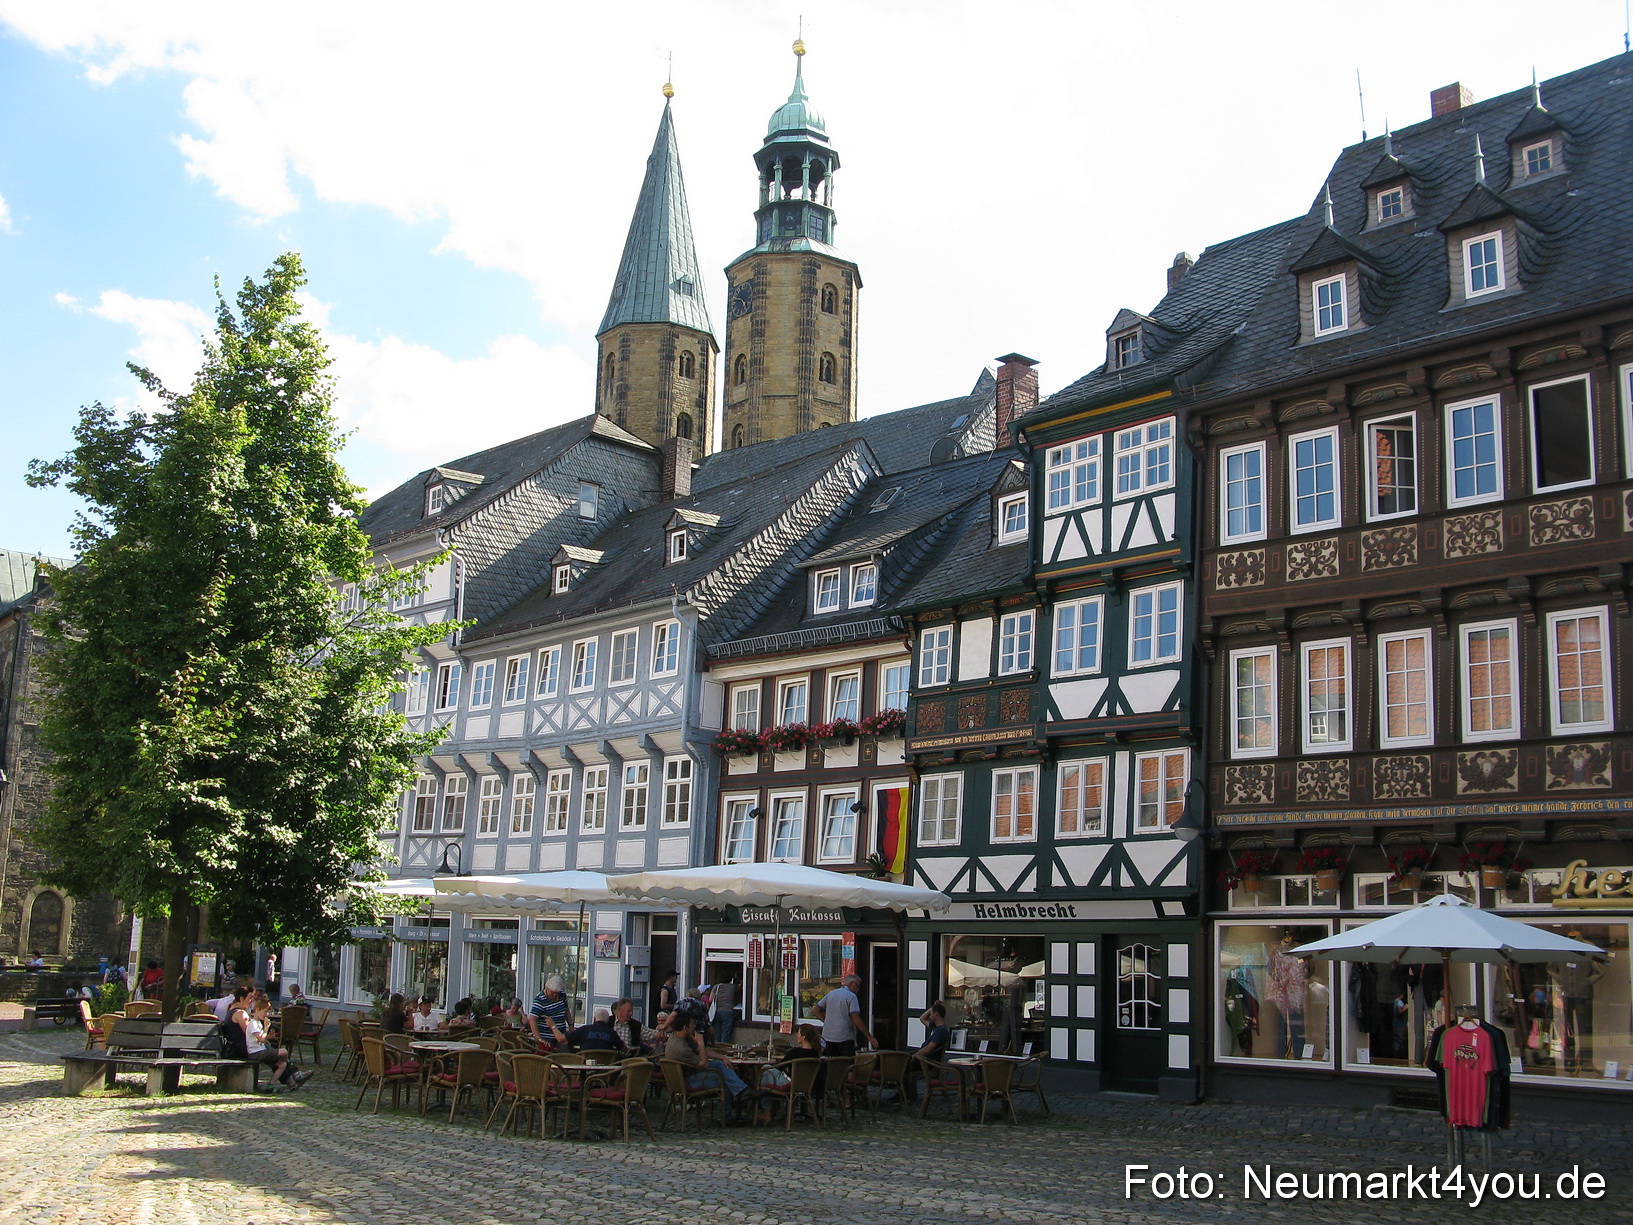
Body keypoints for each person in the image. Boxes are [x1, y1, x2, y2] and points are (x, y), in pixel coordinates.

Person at [663, 1011, 749, 1121]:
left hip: (689, 1074)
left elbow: (703, 1051)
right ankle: (725, 1116)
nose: (694, 1026)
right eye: (692, 1024)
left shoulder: (680, 1037)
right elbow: (704, 1064)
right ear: (685, 1027)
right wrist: (701, 1042)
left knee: (720, 1064)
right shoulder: (680, 1048)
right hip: (687, 1082)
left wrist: (722, 1057)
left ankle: (742, 1090)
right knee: (724, 1079)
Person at [242, 992, 308, 1091]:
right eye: (265, 1012)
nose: (267, 1014)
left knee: (282, 1065)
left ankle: (270, 1086)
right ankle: (290, 1066)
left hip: (261, 1050)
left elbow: (261, 1039)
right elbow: (261, 1039)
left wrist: (268, 1037)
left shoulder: (258, 1023)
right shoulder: (253, 1024)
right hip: (256, 1053)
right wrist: (266, 1028)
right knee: (284, 1052)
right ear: (257, 1010)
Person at [814, 973, 875, 1057]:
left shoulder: (831, 994)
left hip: (828, 1037)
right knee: (846, 1062)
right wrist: (869, 1037)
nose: (858, 990)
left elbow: (815, 1010)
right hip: (844, 1038)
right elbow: (855, 1018)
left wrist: (826, 1021)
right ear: (852, 983)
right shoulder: (851, 996)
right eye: (857, 986)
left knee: (830, 1062)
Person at [527, 975, 573, 1049]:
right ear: (547, 988)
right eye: (552, 992)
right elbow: (532, 1020)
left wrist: (570, 1024)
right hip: (546, 1037)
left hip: (561, 1035)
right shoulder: (540, 999)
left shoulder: (562, 995)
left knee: (565, 1053)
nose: (554, 995)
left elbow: (566, 1010)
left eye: (557, 993)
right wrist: (539, 1039)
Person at [711, 974, 739, 1044]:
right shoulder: (732, 987)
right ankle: (724, 1048)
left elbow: (710, 999)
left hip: (717, 1012)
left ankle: (716, 1047)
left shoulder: (716, 986)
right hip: (727, 1011)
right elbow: (739, 988)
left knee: (717, 1034)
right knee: (725, 1034)